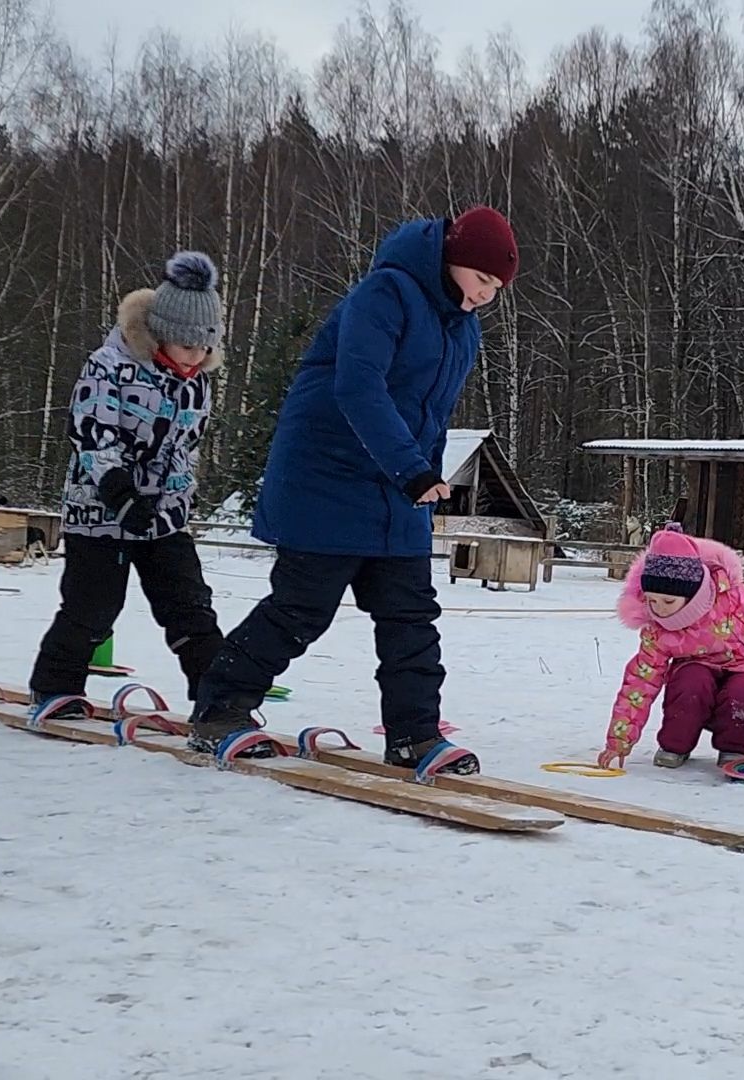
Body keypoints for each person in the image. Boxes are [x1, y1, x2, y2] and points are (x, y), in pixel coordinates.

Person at [184, 207, 518, 777]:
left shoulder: (462, 328)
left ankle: (415, 735)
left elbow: (431, 415)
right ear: (452, 261)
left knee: (410, 615)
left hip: (400, 487)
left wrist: (422, 479)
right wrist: (411, 469)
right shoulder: (385, 294)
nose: (487, 294)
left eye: (497, 288)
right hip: (328, 478)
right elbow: (357, 389)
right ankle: (220, 709)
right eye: (482, 279)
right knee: (302, 608)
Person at [25, 252, 229, 718]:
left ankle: (220, 699)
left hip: (163, 517)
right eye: (185, 345)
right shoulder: (109, 366)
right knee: (92, 608)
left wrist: (176, 503)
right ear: (159, 333)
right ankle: (54, 686)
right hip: (99, 512)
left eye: (204, 347)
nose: (195, 357)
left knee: (190, 606)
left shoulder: (197, 383)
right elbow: (92, 436)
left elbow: (186, 448)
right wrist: (121, 495)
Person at [597, 523, 744, 771]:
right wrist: (619, 741)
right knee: (691, 682)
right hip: (695, 670)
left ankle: (733, 747)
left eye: (668, 600)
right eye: (651, 600)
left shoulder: (732, 597)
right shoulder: (657, 630)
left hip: (743, 664)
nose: (658, 607)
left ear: (690, 592)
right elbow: (640, 683)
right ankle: (675, 744)